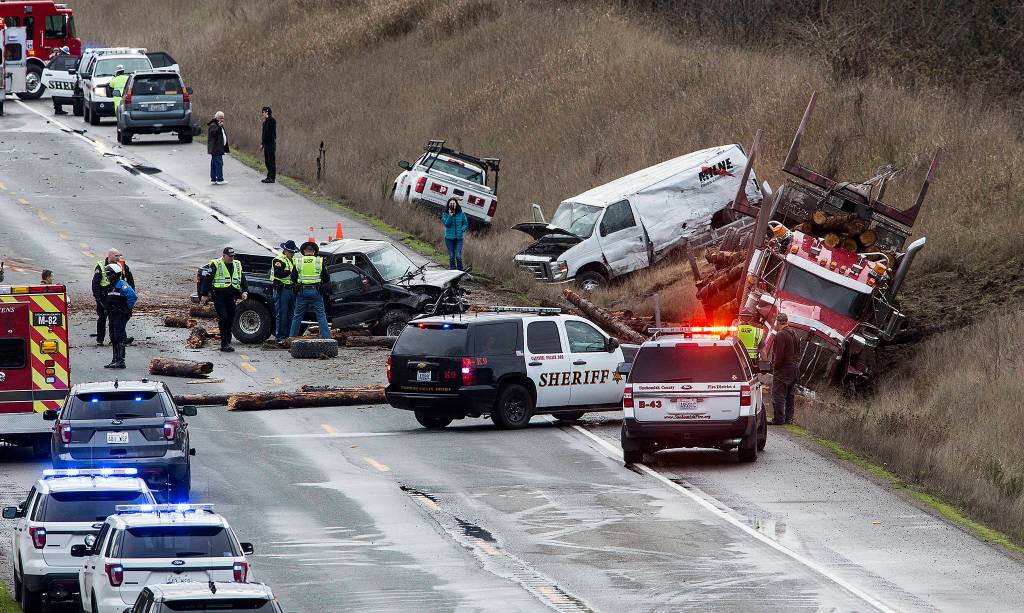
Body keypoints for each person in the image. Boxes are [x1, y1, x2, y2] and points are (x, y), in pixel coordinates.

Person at [199, 247, 248, 352]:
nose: (231, 258)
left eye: (233, 256)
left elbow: (242, 278)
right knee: (224, 318)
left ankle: (227, 342)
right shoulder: (216, 264)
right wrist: (204, 294)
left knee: (230, 319)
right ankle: (224, 344)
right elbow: (208, 279)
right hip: (219, 296)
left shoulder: (237, 264)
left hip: (231, 297)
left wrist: (245, 291)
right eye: (229, 256)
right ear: (224, 255)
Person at [92, 248, 135, 347]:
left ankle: (116, 338)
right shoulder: (101, 266)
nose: (118, 258)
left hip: (117, 295)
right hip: (103, 296)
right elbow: (95, 282)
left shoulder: (122, 265)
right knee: (102, 317)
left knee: (115, 318)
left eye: (119, 256)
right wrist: (97, 297)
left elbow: (130, 280)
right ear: (110, 256)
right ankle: (100, 339)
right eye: (116, 256)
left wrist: (130, 293)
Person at [288, 241, 330, 340]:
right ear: (314, 251)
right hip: (316, 292)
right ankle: (326, 338)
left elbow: (292, 279)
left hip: (302, 292)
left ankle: (292, 337)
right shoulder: (319, 261)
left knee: (297, 316)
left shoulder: (298, 261)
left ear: (304, 251)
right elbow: (327, 279)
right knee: (321, 315)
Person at [102, 263, 137, 369]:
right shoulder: (111, 286)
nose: (107, 277)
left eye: (109, 274)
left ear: (114, 274)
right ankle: (115, 359)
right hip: (112, 315)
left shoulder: (122, 285)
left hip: (120, 315)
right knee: (113, 336)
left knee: (119, 336)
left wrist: (126, 309)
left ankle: (121, 360)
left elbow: (133, 296)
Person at [770, 312, 800, 425]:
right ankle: (789, 419)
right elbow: (798, 352)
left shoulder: (781, 335)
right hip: (794, 368)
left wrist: (774, 367)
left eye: (775, 322)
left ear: (778, 322)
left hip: (783, 369)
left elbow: (779, 356)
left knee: (778, 394)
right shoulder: (794, 333)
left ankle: (778, 419)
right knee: (790, 395)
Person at [270, 240, 298, 342]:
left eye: (293, 252)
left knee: (292, 314)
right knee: (282, 314)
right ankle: (280, 337)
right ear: (285, 250)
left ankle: (289, 336)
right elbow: (279, 274)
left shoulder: (293, 260)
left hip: (291, 289)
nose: (292, 254)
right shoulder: (278, 260)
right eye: (290, 252)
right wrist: (291, 271)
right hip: (282, 289)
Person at [441, 197, 469, 270]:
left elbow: (466, 224)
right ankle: (452, 270)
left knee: (458, 256)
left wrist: (461, 229)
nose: (452, 205)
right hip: (449, 239)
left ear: (456, 204)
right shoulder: (445, 214)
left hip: (459, 239)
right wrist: (450, 215)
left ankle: (460, 271)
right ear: (448, 205)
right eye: (451, 204)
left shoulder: (461, 214)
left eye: (454, 203)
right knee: (452, 256)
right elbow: (447, 224)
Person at [207, 111, 229, 185]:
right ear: (216, 117)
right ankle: (220, 179)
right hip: (216, 149)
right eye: (220, 118)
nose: (222, 119)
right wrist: (219, 127)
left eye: (223, 118)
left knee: (214, 164)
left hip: (218, 148)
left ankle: (213, 179)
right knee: (219, 163)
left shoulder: (218, 124)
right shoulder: (214, 125)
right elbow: (213, 133)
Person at [260, 106, 276, 183]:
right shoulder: (264, 123)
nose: (262, 114)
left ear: (267, 112)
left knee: (271, 161)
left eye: (263, 112)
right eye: (262, 112)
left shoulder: (272, 121)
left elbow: (271, 132)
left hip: (271, 143)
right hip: (266, 144)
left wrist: (268, 117)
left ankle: (272, 178)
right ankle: (268, 176)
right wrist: (262, 143)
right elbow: (263, 134)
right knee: (267, 161)